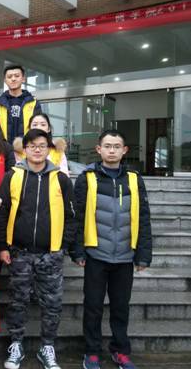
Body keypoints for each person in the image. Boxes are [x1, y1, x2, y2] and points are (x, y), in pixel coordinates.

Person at [71, 130, 152, 369]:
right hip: (96, 254)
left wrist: (143, 254)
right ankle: (92, 352)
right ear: (99, 150)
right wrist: (77, 250)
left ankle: (120, 350)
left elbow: (144, 218)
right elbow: (77, 217)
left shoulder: (134, 179)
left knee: (120, 308)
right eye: (107, 146)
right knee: (93, 307)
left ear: (124, 150)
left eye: (117, 146)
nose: (112, 150)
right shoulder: (86, 178)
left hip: (125, 256)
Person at [0, 129, 76, 369]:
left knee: (52, 304)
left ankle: (47, 347)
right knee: (17, 302)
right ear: (25, 149)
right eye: (32, 146)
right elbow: (1, 214)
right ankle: (16, 344)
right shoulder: (12, 176)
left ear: (49, 148)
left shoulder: (61, 179)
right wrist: (3, 246)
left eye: (42, 145)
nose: (37, 150)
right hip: (19, 253)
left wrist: (62, 246)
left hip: (50, 254)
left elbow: (72, 216)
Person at [0, 64, 41, 144]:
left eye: (17, 76)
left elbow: (38, 128)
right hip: (3, 148)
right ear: (5, 80)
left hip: (27, 147)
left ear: (23, 79)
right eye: (9, 77)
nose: (13, 79)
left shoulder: (33, 103)